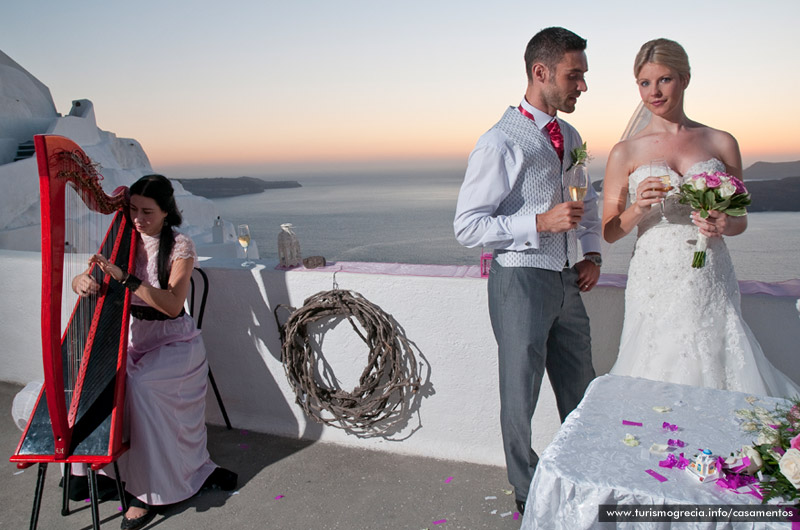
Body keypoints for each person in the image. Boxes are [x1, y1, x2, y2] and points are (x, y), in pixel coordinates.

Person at [454, 27, 601, 513]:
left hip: (567, 279)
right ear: (541, 73)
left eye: (582, 75)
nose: (582, 85)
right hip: (519, 281)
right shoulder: (498, 142)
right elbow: (468, 227)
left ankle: (581, 478)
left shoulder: (573, 137)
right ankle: (527, 492)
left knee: (582, 388)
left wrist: (593, 253)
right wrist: (538, 222)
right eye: (573, 75)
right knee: (519, 396)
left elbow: (588, 200)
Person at [602, 38, 799, 397]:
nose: (654, 92)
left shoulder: (721, 142)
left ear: (685, 78)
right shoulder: (624, 151)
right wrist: (637, 207)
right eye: (645, 83)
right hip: (654, 278)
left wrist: (725, 224)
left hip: (709, 273)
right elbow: (610, 232)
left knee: (717, 365)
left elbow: (740, 220)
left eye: (664, 80)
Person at [72, 174, 237, 529]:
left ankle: (146, 492)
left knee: (141, 386)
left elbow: (174, 305)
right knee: (102, 380)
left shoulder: (180, 246)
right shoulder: (122, 240)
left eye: (147, 212)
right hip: (132, 339)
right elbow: (85, 277)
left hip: (175, 343)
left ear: (166, 212)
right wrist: (81, 281)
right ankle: (106, 468)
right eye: (132, 210)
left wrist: (129, 280)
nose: (138, 219)